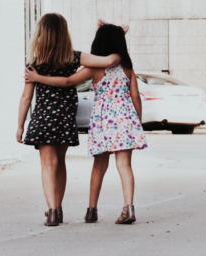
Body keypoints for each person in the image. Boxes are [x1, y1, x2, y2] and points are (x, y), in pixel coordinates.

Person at [25, 24, 147, 225]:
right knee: (125, 165)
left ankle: (91, 210)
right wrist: (138, 123)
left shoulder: (94, 68)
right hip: (126, 120)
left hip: (103, 121)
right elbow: (135, 96)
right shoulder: (127, 68)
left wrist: (38, 78)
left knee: (99, 166)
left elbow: (67, 82)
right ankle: (129, 208)